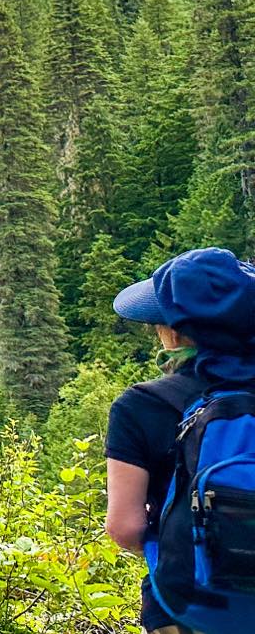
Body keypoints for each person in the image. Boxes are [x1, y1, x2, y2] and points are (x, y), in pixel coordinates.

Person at [104, 249, 255, 634]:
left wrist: (177, 546)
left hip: (190, 607)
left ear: (173, 332)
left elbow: (124, 527)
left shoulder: (140, 405)